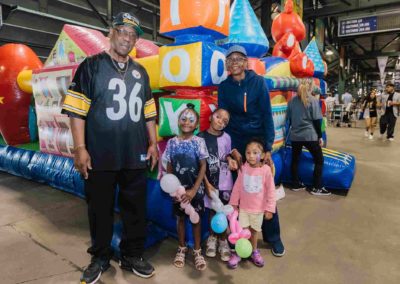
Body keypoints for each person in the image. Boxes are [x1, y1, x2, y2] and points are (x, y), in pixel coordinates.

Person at [61, 12, 156, 283]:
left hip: (135, 153)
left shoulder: (141, 71)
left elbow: (149, 112)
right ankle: (100, 257)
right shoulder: (90, 67)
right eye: (122, 32)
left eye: (132, 34)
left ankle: (132, 254)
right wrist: (80, 147)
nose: (127, 38)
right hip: (100, 153)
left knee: (135, 208)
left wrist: (153, 144)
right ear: (110, 33)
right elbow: (76, 112)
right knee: (99, 208)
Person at [218, 44, 285, 257]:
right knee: (241, 192)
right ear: (227, 65)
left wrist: (267, 148)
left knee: (265, 189)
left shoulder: (258, 82)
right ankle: (241, 237)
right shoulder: (224, 87)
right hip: (238, 141)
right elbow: (225, 119)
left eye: (239, 59)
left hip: (257, 142)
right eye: (231, 60)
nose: (235, 63)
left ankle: (273, 237)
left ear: (246, 62)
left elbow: (267, 115)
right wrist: (233, 149)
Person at [164, 104, 209, 271]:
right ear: (178, 121)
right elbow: (169, 165)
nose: (186, 122)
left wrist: (194, 190)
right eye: (183, 119)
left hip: (194, 190)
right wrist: (173, 188)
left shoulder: (199, 142)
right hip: (178, 191)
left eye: (191, 120)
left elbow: (203, 166)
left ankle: (197, 251)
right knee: (180, 219)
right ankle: (182, 248)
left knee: (195, 219)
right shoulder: (172, 143)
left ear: (196, 125)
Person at [228, 138, 276, 269]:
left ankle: (254, 251)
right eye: (248, 152)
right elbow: (237, 186)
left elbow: (271, 191)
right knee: (242, 232)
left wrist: (270, 209)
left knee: (254, 232)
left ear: (262, 155)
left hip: (258, 209)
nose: (251, 156)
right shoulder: (243, 168)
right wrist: (233, 203)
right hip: (243, 208)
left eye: (255, 152)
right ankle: (239, 252)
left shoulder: (266, 170)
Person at [198, 108, 238, 262]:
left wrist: (230, 160)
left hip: (226, 183)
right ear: (210, 117)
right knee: (212, 212)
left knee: (223, 212)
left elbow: (226, 154)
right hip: (210, 184)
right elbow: (199, 164)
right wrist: (206, 184)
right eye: (218, 117)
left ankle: (223, 241)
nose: (221, 121)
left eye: (225, 121)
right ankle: (212, 239)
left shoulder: (227, 137)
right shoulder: (200, 138)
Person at [287, 79, 331, 196]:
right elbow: (317, 121)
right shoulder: (312, 100)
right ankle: (316, 187)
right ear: (310, 88)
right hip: (309, 135)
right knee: (319, 160)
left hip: (295, 136)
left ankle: (295, 184)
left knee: (295, 160)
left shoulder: (291, 101)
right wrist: (320, 136)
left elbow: (289, 120)